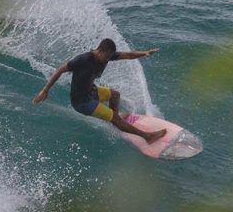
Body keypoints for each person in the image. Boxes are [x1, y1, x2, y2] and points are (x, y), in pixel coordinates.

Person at [33, 38, 167, 144]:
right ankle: (147, 137)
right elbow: (60, 70)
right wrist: (45, 90)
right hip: (82, 102)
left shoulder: (106, 55)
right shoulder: (83, 59)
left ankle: (115, 122)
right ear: (101, 51)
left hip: (92, 92)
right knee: (115, 117)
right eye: (107, 57)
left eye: (110, 57)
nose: (109, 60)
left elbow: (127, 55)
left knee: (115, 95)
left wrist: (144, 53)